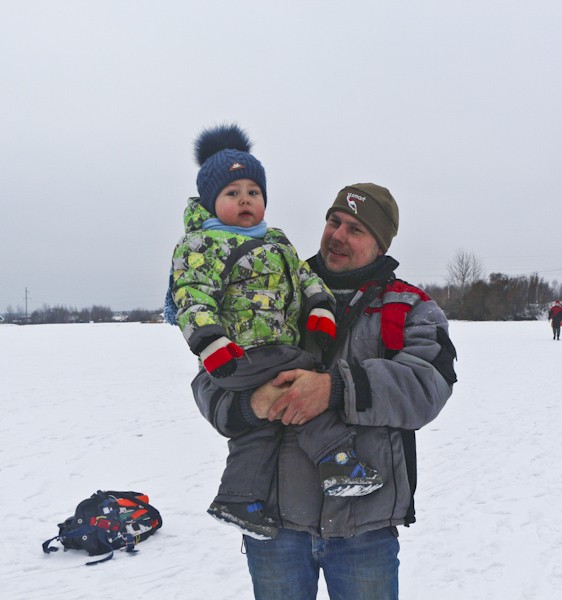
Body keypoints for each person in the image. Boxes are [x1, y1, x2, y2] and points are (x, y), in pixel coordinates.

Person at [191, 182, 457, 599]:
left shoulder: (410, 305)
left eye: (356, 229)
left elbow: (427, 386)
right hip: (274, 528)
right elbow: (209, 380)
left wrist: (334, 388)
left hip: (365, 532)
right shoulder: (270, 287)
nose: (338, 236)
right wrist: (249, 405)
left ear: (380, 243)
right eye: (334, 221)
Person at [166, 125, 383, 540]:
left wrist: (320, 307)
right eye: (232, 192)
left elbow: (304, 279)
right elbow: (191, 299)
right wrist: (212, 346)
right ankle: (335, 459)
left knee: (262, 423)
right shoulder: (200, 245)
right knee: (304, 376)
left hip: (271, 346)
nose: (245, 199)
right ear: (211, 201)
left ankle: (238, 497)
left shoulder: (277, 240)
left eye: (254, 191)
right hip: (239, 353)